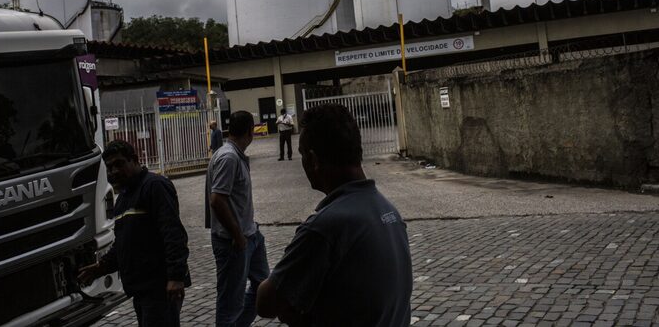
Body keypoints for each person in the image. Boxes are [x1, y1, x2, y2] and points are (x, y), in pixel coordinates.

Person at [256, 104, 413, 327]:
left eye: (302, 155)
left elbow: (266, 303)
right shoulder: (388, 211)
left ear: (313, 160)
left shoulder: (324, 228)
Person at [78, 140, 191, 327]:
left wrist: (176, 277)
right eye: (109, 167)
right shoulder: (123, 198)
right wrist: (101, 267)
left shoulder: (155, 186)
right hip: (140, 290)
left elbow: (173, 234)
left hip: (159, 288)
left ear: (135, 160)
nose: (114, 171)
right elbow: (123, 243)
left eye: (119, 164)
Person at [205, 110, 269, 327]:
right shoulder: (228, 157)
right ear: (251, 131)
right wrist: (238, 236)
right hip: (233, 241)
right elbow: (217, 200)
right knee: (230, 303)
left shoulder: (234, 154)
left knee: (262, 286)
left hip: (251, 235)